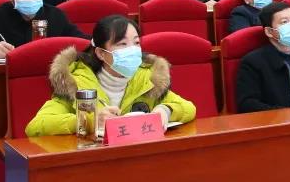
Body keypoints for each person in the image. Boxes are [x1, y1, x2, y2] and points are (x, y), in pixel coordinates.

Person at [25, 15, 196, 136]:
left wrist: (165, 111)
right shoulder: (76, 83)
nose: (132, 50)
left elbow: (188, 108)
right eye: (122, 44)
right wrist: (90, 121)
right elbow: (36, 125)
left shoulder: (146, 78)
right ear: (101, 53)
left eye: (136, 43)